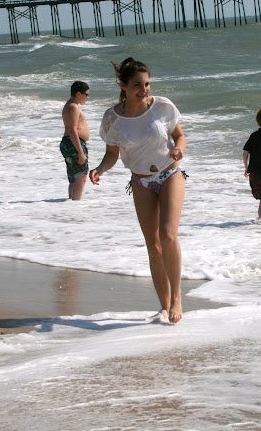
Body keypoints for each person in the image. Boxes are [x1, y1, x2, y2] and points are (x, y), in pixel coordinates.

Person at [89, 58, 187, 324]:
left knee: (167, 235)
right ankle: (164, 307)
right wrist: (100, 168)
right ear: (123, 85)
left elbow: (179, 136)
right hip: (141, 182)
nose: (144, 90)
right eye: (137, 85)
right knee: (153, 246)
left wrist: (179, 149)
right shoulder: (113, 119)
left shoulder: (162, 107)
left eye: (147, 84)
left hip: (169, 173)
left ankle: (177, 298)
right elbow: (112, 154)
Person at [60, 81, 91, 200]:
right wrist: (80, 152)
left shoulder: (70, 105)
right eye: (86, 94)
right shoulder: (73, 107)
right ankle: (76, 203)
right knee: (80, 176)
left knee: (74, 177)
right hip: (73, 143)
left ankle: (72, 204)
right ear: (78, 93)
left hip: (70, 142)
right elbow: (72, 130)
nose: (87, 97)